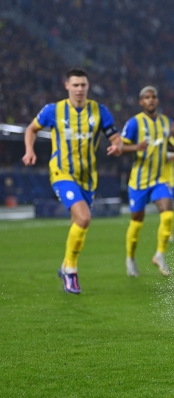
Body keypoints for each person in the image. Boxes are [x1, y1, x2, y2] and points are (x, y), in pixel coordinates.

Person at [22, 68, 123, 294]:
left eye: (83, 85)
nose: (79, 89)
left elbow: (115, 136)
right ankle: (70, 271)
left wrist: (118, 146)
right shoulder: (53, 110)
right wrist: (29, 150)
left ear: (88, 87)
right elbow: (31, 129)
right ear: (66, 85)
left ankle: (66, 265)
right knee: (84, 217)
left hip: (88, 178)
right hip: (62, 173)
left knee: (78, 223)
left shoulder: (99, 111)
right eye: (75, 85)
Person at [121, 86, 174, 277]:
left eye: (153, 97)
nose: (150, 100)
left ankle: (160, 254)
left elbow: (166, 143)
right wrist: (136, 146)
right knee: (137, 221)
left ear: (157, 100)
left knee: (168, 213)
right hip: (139, 181)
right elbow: (119, 147)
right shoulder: (134, 123)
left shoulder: (166, 122)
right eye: (146, 98)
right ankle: (130, 258)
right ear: (141, 102)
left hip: (160, 178)